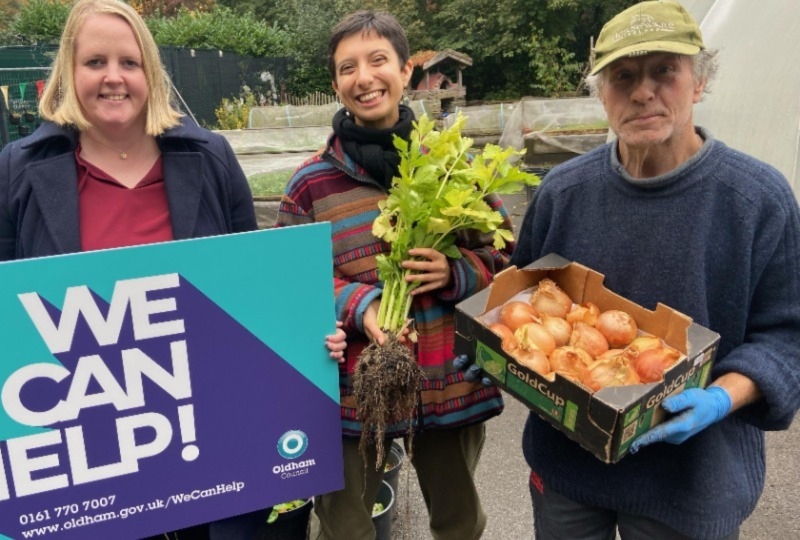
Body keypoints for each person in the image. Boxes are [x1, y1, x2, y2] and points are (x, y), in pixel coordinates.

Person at [0, 1, 346, 538]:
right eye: (95, 62)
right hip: (92, 458)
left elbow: (254, 291)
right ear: (69, 71)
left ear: (149, 72)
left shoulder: (211, 156)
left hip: (215, 435)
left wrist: (308, 339)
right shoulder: (21, 168)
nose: (113, 77)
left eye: (128, 62)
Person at [510, 2, 800, 539]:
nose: (643, 91)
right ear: (601, 93)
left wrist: (720, 397)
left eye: (664, 70)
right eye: (623, 76)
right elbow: (521, 297)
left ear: (699, 82)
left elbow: (787, 335)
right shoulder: (563, 193)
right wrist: (501, 352)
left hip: (691, 475)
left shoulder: (757, 200)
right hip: (570, 463)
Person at [276, 10, 510, 540]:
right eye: (347, 67)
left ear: (406, 71)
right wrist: (361, 305)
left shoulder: (452, 167)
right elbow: (290, 282)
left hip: (446, 377)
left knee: (460, 520)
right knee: (347, 525)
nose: (364, 78)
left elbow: (504, 257)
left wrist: (455, 272)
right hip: (351, 388)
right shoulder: (310, 185)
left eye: (378, 60)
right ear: (335, 83)